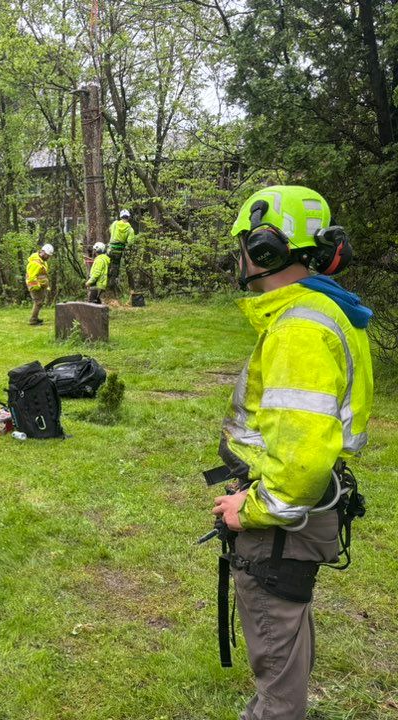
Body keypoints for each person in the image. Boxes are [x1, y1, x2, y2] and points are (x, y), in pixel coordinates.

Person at [210, 185, 373, 720]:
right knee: (286, 630)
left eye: (244, 246)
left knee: (273, 639)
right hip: (302, 513)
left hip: (280, 522)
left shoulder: (297, 330)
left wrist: (249, 509)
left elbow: (300, 462)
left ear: (264, 251)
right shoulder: (324, 310)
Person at [25, 243, 54, 325]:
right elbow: (31, 277)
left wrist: (45, 285)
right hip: (35, 286)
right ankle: (33, 320)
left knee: (39, 302)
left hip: (40, 285)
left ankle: (35, 318)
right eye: (48, 255)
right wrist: (37, 286)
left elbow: (42, 274)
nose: (48, 257)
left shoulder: (42, 261)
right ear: (43, 253)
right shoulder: (35, 262)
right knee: (38, 302)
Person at [107, 209, 135, 292]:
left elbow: (110, 230)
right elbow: (130, 243)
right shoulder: (130, 229)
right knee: (115, 266)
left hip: (110, 249)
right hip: (118, 251)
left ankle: (105, 280)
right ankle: (112, 283)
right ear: (128, 217)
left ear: (120, 216)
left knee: (107, 264)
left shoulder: (115, 223)